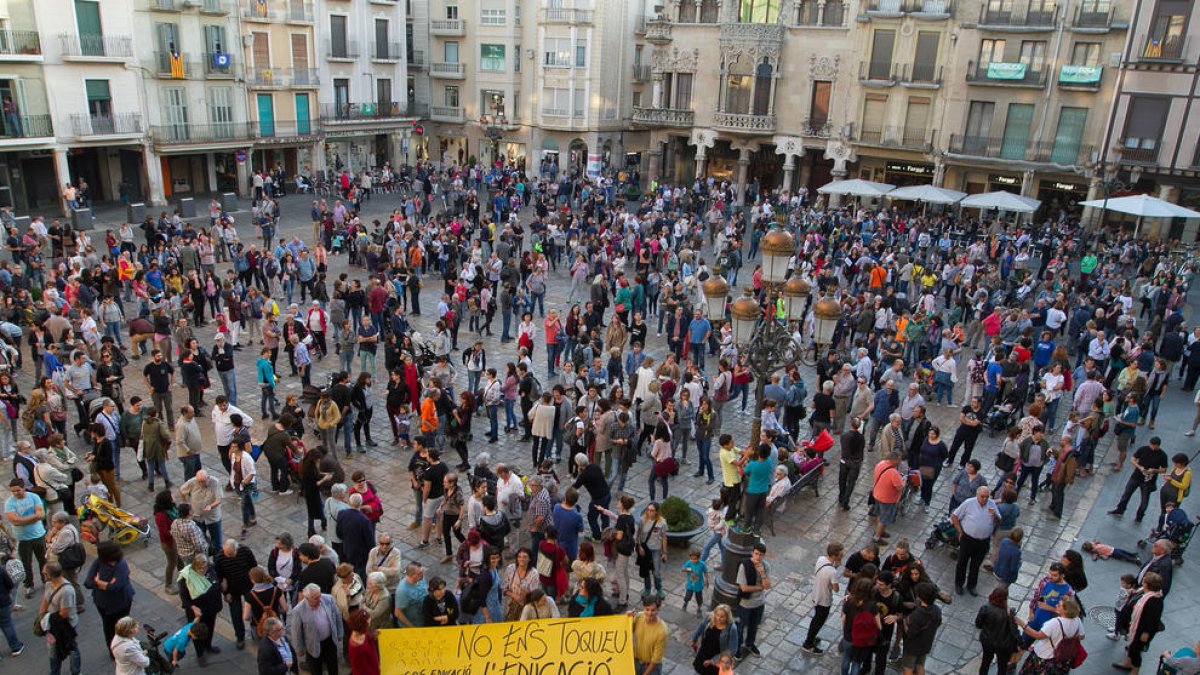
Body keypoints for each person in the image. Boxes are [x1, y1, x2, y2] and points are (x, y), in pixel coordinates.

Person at [84, 540, 135, 659]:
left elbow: (117, 586)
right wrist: (105, 584)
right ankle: (114, 651)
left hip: (121, 602)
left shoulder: (120, 564)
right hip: (104, 604)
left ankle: (125, 647)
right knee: (109, 628)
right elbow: (88, 582)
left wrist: (100, 581)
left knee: (122, 626)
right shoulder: (99, 563)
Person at [1111, 572, 1166, 675]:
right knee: (1131, 647)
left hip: (1140, 631)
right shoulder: (1143, 591)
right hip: (1134, 626)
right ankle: (1128, 663)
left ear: (1147, 584)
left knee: (1135, 650)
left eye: (1144, 580)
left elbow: (1151, 619)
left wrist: (1145, 633)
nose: (1142, 581)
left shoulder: (1154, 601)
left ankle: (1135, 671)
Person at [1015, 597, 1084, 675]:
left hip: (1045, 656)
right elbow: (1081, 636)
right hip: (1063, 658)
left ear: (1065, 611)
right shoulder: (1077, 620)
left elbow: (1037, 635)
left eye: (1059, 605)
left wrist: (1022, 624)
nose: (1056, 605)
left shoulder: (1054, 623)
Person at [951, 486, 1000, 596]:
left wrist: (995, 516)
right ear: (977, 495)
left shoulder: (991, 504)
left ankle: (971, 585)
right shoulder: (969, 503)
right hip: (968, 539)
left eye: (986, 497)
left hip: (983, 541)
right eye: (982, 496)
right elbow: (954, 516)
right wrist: (960, 532)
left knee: (975, 565)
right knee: (962, 562)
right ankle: (959, 584)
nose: (985, 499)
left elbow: (999, 521)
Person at [1108, 436, 1169, 523]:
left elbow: (1164, 469)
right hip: (1136, 476)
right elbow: (1133, 459)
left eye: (1153, 445)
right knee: (1126, 493)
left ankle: (1139, 516)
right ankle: (1120, 509)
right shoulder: (1143, 449)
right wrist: (1139, 467)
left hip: (1149, 480)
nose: (1151, 446)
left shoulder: (1162, 455)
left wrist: (1154, 470)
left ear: (1157, 446)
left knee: (1144, 500)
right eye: (1150, 444)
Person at [178, 553, 224, 664]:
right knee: (197, 632)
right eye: (201, 568)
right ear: (194, 567)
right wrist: (193, 607)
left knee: (210, 627)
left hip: (211, 606)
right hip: (197, 611)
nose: (204, 570)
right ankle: (200, 653)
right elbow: (184, 597)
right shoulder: (186, 577)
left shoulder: (211, 568)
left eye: (205, 567)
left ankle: (208, 646)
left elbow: (218, 577)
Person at [5, 478, 46, 599]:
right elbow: (14, 521)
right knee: (25, 563)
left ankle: (46, 580)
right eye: (13, 491)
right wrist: (34, 517)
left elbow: (41, 515)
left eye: (17, 490)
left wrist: (22, 520)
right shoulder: (9, 503)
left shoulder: (33, 497)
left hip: (38, 534)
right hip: (22, 538)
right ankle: (29, 584)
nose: (15, 493)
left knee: (43, 559)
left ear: (23, 488)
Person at [214, 538, 258, 650]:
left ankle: (256, 632)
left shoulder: (246, 551)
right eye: (227, 554)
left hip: (248, 586)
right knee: (236, 613)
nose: (229, 557)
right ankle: (240, 637)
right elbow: (220, 577)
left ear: (236, 549)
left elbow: (254, 567)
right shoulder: (219, 558)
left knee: (254, 610)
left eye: (231, 554)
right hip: (232, 590)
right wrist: (225, 593)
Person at [289, 584, 342, 675]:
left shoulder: (328, 599)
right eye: (316, 598)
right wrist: (299, 649)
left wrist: (340, 633)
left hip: (330, 640)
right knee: (316, 670)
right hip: (312, 644)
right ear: (307, 598)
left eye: (319, 595)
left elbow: (337, 616)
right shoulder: (298, 610)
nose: (319, 599)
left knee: (333, 666)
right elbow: (296, 632)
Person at [41, 561, 81, 675]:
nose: (43, 575)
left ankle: (75, 671)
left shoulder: (66, 591)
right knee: (53, 650)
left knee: (71, 647)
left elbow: (64, 613)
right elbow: (44, 600)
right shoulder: (48, 584)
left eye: (44, 573)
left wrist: (48, 618)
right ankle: (54, 672)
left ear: (50, 575)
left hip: (65, 625)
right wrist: (41, 617)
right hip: (52, 624)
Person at [802, 542, 843, 655]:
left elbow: (826, 573)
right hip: (824, 599)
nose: (842, 556)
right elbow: (836, 589)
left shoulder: (821, 559)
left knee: (816, 619)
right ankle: (808, 644)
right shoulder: (833, 572)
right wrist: (836, 571)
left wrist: (835, 566)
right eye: (840, 555)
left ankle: (811, 638)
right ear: (834, 555)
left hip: (816, 594)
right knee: (818, 622)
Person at [975, 586, 1019, 675]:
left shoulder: (985, 608)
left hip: (987, 641)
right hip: (1003, 645)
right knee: (1002, 666)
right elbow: (1014, 630)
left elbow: (978, 624)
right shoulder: (1009, 613)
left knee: (985, 662)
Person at [900, 583, 942, 675]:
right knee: (920, 665)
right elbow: (938, 623)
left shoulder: (917, 614)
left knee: (908, 668)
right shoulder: (937, 610)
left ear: (920, 597)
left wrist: (904, 622)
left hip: (913, 647)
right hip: (926, 644)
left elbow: (910, 634)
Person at [691, 604, 740, 675]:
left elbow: (732, 649)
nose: (718, 618)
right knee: (699, 670)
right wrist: (694, 639)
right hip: (703, 653)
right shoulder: (710, 618)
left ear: (727, 617)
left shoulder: (732, 628)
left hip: (718, 657)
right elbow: (700, 628)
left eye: (722, 617)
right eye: (717, 615)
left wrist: (713, 661)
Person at [637, 502, 668, 600]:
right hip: (645, 549)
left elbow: (664, 538)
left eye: (652, 510)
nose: (649, 512)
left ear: (657, 511)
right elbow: (638, 534)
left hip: (656, 550)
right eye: (648, 510)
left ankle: (659, 588)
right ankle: (647, 588)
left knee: (656, 571)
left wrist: (664, 552)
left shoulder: (662, 522)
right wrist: (639, 546)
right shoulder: (643, 520)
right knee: (646, 570)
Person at [632, 596, 670, 675]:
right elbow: (627, 631)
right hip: (635, 661)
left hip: (651, 668)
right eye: (647, 609)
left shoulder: (662, 631)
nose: (649, 613)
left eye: (653, 610)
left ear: (658, 610)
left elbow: (655, 659)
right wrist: (627, 618)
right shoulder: (639, 616)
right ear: (643, 608)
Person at [681, 548, 708, 616]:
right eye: (692, 558)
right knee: (687, 596)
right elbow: (682, 569)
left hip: (698, 585)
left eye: (695, 559)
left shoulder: (702, 564)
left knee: (699, 598)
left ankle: (699, 608)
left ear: (698, 558)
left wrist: (706, 580)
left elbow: (705, 572)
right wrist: (687, 569)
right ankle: (685, 603)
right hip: (690, 585)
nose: (694, 560)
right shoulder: (689, 563)